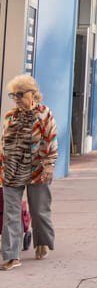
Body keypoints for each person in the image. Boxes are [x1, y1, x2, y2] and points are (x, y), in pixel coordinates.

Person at [1, 75, 57, 270]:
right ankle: (11, 256)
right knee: (11, 214)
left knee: (39, 211)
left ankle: (41, 242)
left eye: (20, 94)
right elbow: (4, 143)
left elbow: (50, 140)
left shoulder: (44, 114)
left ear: (33, 94)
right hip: (11, 171)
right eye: (13, 95)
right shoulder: (10, 116)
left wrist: (49, 165)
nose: (16, 98)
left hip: (37, 169)